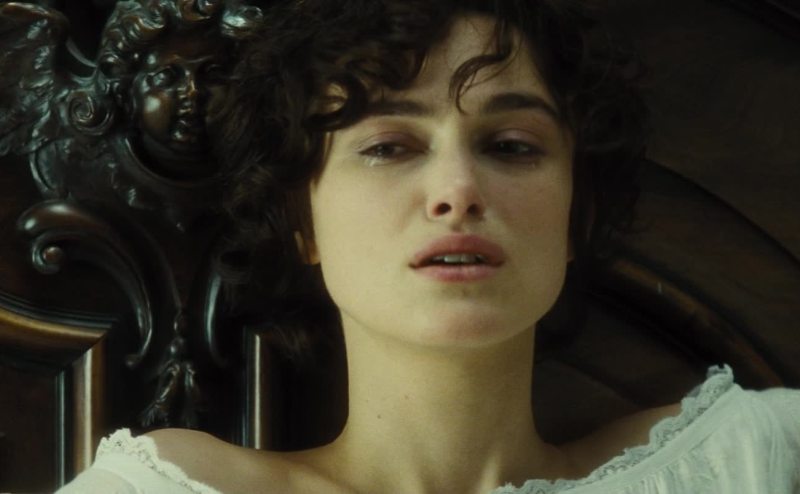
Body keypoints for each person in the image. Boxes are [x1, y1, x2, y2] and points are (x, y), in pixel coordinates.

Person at [57, 0, 800, 493]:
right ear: (301, 220)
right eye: (388, 146)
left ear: (577, 212)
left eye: (511, 146)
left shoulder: (755, 460)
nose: (457, 190)